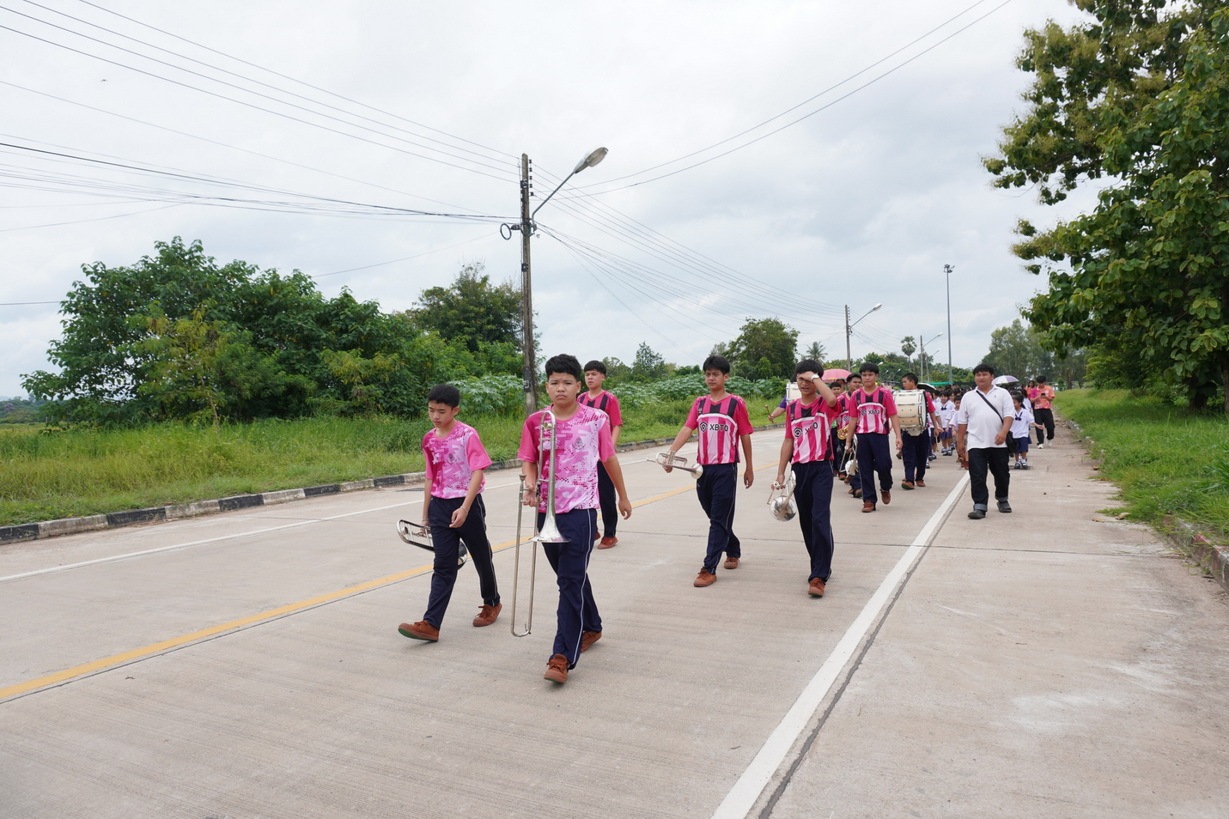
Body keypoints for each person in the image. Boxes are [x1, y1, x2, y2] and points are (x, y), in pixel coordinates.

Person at [518, 354, 633, 685]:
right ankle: (592, 625)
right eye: (554, 382)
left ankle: (562, 657)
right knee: (570, 577)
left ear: (578, 386)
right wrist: (529, 483)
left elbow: (608, 458)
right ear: (547, 386)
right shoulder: (536, 421)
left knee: (569, 582)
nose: (560, 388)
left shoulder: (596, 419)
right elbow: (529, 459)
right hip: (546, 512)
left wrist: (623, 496)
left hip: (581, 511)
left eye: (567, 382)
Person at [398, 384, 501, 643]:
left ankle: (492, 602)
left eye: (441, 411)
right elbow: (429, 476)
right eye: (431, 410)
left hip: (467, 503)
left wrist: (465, 507)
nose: (435, 416)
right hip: (439, 506)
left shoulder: (468, 435)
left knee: (481, 556)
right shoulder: (428, 439)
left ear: (455, 410)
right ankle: (431, 625)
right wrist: (425, 514)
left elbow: (478, 471)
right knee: (443, 564)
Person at [664, 354, 754, 587]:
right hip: (702, 470)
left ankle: (708, 568)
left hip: (726, 469)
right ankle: (732, 547)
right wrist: (671, 454)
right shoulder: (700, 404)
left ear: (726, 377)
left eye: (716, 374)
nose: (711, 378)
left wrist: (749, 467)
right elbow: (687, 428)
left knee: (718, 519)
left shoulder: (735, 403)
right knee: (714, 516)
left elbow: (745, 435)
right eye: (708, 374)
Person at [774, 360, 840, 598]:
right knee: (807, 522)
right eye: (800, 379)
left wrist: (815, 378)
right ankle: (820, 564)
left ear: (817, 380)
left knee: (820, 518)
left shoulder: (824, 404)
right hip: (799, 470)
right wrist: (781, 471)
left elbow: (832, 400)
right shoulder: (792, 409)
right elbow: (789, 440)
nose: (804, 383)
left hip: (822, 468)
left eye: (809, 379)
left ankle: (818, 576)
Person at [955, 363, 1014, 519]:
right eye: (978, 375)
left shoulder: (1003, 394)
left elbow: (1009, 415)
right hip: (976, 442)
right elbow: (962, 421)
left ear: (992, 376)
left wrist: (1003, 432)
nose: (981, 377)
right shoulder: (968, 397)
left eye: (984, 374)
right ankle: (979, 506)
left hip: (998, 442)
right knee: (977, 475)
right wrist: (960, 443)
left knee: (1002, 474)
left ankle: (1002, 499)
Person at [842, 362, 901, 513]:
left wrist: (898, 437)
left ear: (876, 376)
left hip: (880, 436)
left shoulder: (884, 394)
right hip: (862, 436)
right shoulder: (856, 396)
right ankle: (869, 501)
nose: (867, 378)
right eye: (864, 375)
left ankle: (885, 487)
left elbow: (893, 415)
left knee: (884, 465)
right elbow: (853, 419)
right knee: (865, 468)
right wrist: (848, 440)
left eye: (870, 375)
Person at [579, 360, 624, 549]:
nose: (590, 377)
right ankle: (593, 530)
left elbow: (617, 425)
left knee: (606, 495)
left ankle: (610, 534)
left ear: (603, 377)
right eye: (587, 374)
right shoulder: (580, 399)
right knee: (585, 493)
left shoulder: (609, 399)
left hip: (602, 456)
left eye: (594, 374)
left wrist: (609, 449)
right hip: (584, 455)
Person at [898, 373, 942, 489]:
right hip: (907, 430)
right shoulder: (901, 395)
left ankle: (919, 478)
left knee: (922, 455)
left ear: (912, 382)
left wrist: (936, 427)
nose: (904, 384)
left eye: (905, 382)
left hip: (923, 429)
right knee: (908, 455)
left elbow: (931, 411)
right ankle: (909, 480)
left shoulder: (924, 395)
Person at [1010, 394, 1043, 469]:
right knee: (1016, 450)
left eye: (1014, 403)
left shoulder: (1025, 412)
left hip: (1023, 433)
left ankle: (1023, 460)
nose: (1013, 404)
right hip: (1014, 433)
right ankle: (1017, 461)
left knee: (1024, 448)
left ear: (1020, 403)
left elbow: (1031, 421)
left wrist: (1037, 425)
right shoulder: (1011, 412)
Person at [1032, 376, 1056, 447]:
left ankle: (1049, 437)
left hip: (1046, 409)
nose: (1041, 384)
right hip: (1037, 410)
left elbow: (1051, 399)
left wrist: (1045, 397)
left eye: (1042, 383)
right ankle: (1040, 442)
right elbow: (1031, 400)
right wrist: (1037, 397)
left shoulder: (1049, 389)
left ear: (1045, 382)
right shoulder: (1034, 390)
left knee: (1050, 426)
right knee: (1038, 426)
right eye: (1039, 383)